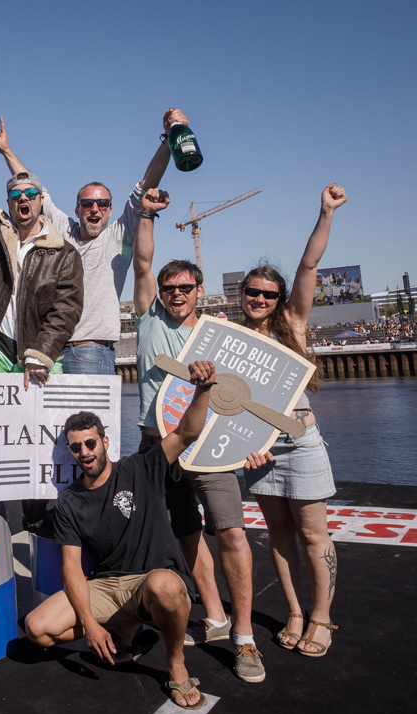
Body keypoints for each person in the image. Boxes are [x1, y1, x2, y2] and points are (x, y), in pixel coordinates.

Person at [24, 360, 219, 710]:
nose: (84, 452)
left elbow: (187, 432)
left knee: (166, 587)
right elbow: (71, 567)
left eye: (90, 443)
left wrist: (202, 389)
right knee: (37, 627)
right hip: (108, 585)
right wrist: (89, 625)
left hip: (154, 579)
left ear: (105, 441)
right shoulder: (69, 500)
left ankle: (175, 664)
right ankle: (118, 629)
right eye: (76, 447)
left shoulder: (142, 467)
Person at [131, 193, 264, 683]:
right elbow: (142, 259)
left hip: (211, 447)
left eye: (185, 286)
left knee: (230, 532)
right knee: (183, 533)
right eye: (169, 287)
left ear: (200, 289)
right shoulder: (148, 318)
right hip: (157, 447)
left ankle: (245, 639)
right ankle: (214, 615)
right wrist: (146, 213)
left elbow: (248, 396)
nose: (176, 293)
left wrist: (258, 438)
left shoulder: (222, 334)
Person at [0, 109, 189, 375]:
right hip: (50, 350)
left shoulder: (118, 236)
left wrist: (168, 139)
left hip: (90, 351)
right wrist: (6, 150)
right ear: (77, 210)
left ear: (110, 210)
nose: (94, 208)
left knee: (90, 419)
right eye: (87, 203)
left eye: (102, 204)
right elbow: (33, 189)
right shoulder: (63, 232)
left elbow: (146, 185)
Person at [241, 184, 348, 659]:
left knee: (311, 532)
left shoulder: (294, 323)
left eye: (268, 293)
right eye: (252, 291)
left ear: (279, 297)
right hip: (259, 446)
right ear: (241, 294)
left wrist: (325, 213)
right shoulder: (230, 338)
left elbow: (308, 266)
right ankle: (295, 612)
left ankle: (322, 617)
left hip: (299, 439)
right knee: (278, 535)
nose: (259, 298)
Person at [0, 111, 84, 457]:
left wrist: (42, 354)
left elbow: (66, 309)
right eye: (16, 194)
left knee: (46, 424)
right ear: (10, 202)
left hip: (35, 350)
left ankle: (40, 498)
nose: (23, 199)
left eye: (30, 193)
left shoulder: (64, 254)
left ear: (41, 200)